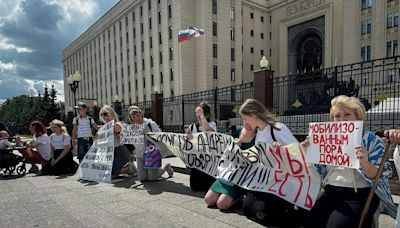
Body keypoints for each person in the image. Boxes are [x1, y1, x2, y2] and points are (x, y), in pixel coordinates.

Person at [303, 95, 396, 228]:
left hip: (358, 195)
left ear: (358, 117)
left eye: (347, 114)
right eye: (337, 116)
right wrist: (307, 152)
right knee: (311, 223)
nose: (341, 119)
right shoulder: (325, 139)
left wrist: (365, 163)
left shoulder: (371, 140)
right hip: (330, 192)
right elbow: (317, 171)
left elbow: (380, 174)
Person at [238, 98, 306, 227]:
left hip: (283, 181)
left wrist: (281, 151)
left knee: (263, 214)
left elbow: (298, 151)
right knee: (247, 209)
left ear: (253, 115)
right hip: (267, 180)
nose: (244, 122)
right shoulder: (258, 132)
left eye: (245, 118)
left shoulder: (277, 128)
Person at [204, 121, 256, 210]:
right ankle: (227, 195)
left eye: (248, 118)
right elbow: (224, 148)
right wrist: (233, 145)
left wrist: (240, 149)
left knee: (222, 204)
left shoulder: (259, 136)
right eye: (244, 119)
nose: (246, 122)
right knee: (208, 200)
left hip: (240, 177)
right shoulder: (237, 131)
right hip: (227, 173)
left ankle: (239, 197)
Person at [128, 105, 173, 181]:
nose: (136, 118)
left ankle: (165, 167)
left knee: (152, 178)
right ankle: (151, 171)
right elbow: (132, 142)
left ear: (142, 115)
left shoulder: (150, 124)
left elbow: (160, 136)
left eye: (138, 116)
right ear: (131, 119)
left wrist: (148, 133)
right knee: (142, 178)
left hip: (152, 153)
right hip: (140, 155)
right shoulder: (133, 128)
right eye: (134, 117)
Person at [186, 102, 217, 191]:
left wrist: (202, 116)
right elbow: (189, 141)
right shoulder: (192, 126)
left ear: (206, 114)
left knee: (208, 185)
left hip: (208, 158)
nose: (198, 115)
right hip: (197, 158)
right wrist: (188, 135)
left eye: (199, 113)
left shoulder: (212, 124)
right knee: (195, 187)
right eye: (197, 113)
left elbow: (208, 131)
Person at [98, 105, 134, 178]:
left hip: (120, 150)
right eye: (101, 115)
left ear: (111, 113)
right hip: (109, 153)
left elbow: (126, 139)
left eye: (105, 114)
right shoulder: (103, 128)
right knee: (107, 173)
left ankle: (130, 167)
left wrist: (118, 132)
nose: (104, 117)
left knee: (113, 173)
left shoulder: (117, 124)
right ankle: (126, 168)